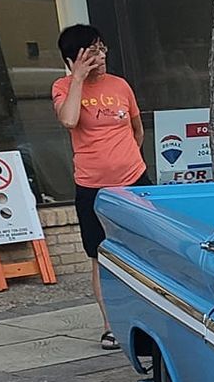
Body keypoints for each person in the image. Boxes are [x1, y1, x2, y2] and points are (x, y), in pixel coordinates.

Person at [52, 24, 146, 350]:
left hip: (134, 180)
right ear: (73, 59)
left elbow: (136, 128)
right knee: (101, 255)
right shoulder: (63, 87)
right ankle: (111, 326)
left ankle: (147, 319)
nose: (101, 56)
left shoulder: (120, 85)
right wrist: (77, 78)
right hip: (92, 186)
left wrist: (128, 161)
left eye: (102, 49)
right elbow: (68, 120)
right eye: (91, 52)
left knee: (146, 250)